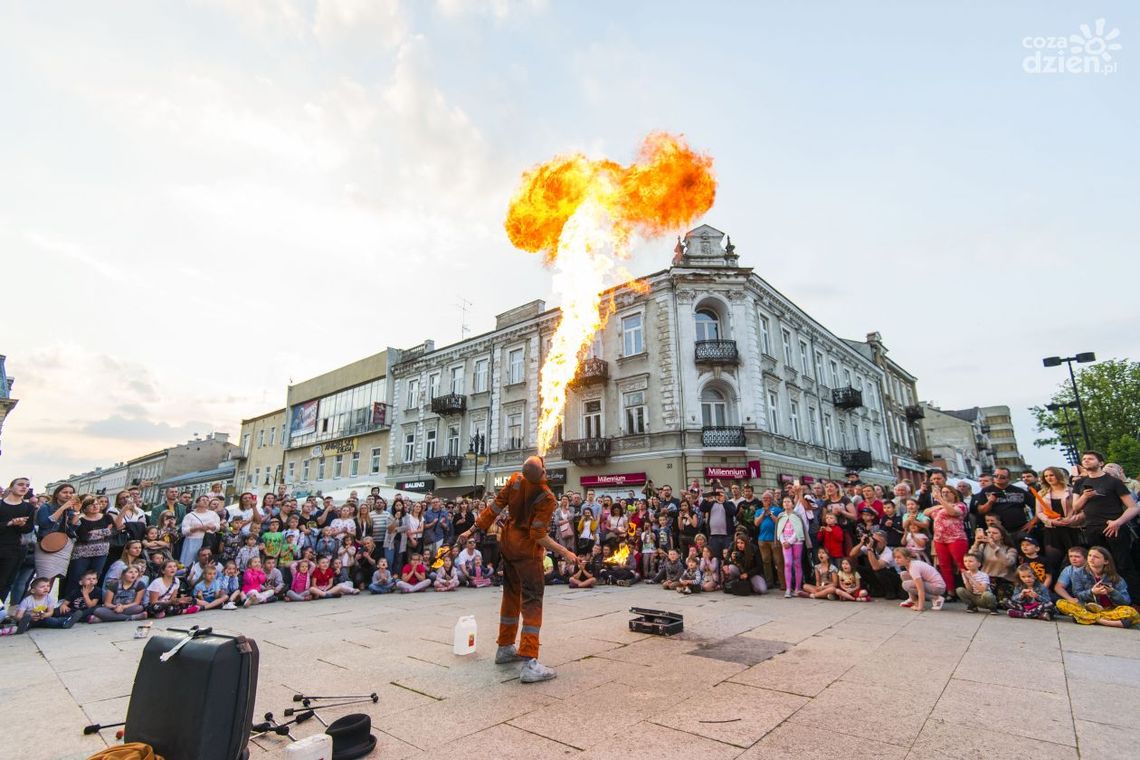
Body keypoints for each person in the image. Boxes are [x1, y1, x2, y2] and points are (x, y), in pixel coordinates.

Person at [456, 456, 573, 684]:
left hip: (508, 546)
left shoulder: (515, 480)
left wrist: (471, 531)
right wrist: (565, 552)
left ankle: (505, 647)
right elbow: (538, 536)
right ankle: (530, 661)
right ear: (542, 473)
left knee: (510, 596)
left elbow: (492, 510)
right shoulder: (547, 497)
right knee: (532, 601)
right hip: (527, 553)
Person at [1070, 450, 1140, 592]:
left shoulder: (1113, 481)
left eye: (1091, 458)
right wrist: (1085, 497)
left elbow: (1133, 507)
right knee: (1099, 566)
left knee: (1123, 564)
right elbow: (1075, 507)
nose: (1086, 461)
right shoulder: (1080, 483)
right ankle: (1107, 597)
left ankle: (1134, 600)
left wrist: (1118, 522)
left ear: (1101, 463)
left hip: (1114, 527)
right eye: (1084, 459)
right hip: (1092, 528)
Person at [1054, 546, 1139, 628]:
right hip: (1087, 608)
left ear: (1106, 561)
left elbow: (1126, 601)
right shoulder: (1078, 573)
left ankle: (1087, 618)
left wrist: (1112, 592)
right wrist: (1092, 592)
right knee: (1061, 603)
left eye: (1096, 557)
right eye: (1090, 555)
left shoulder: (1116, 578)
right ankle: (1104, 621)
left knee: (1131, 612)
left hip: (1109, 610)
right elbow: (1078, 595)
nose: (1091, 559)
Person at [923, 485, 968, 600]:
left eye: (948, 492)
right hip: (940, 539)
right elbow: (926, 512)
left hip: (956, 538)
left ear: (954, 494)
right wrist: (939, 504)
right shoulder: (939, 506)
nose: (945, 494)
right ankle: (950, 592)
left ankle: (971, 590)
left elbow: (953, 512)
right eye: (943, 492)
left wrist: (940, 499)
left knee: (962, 564)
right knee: (944, 566)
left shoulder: (960, 505)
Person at [0, 478, 36, 604]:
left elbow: (28, 528)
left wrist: (21, 525)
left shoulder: (28, 508)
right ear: (11, 487)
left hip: (14, 549)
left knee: (6, 582)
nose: (24, 487)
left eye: (27, 485)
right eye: (20, 484)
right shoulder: (1, 504)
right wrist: (10, 523)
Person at [894, 547, 946, 611]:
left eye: (899, 557)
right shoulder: (909, 564)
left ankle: (937, 598)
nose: (896, 560)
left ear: (907, 558)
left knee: (906, 585)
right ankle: (912, 599)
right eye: (895, 557)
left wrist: (920, 607)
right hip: (930, 584)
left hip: (938, 587)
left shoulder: (913, 567)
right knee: (904, 574)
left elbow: (920, 589)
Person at [776, 501, 807, 598]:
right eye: (784, 502)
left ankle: (797, 588)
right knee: (787, 563)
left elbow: (798, 530)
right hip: (785, 542)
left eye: (788, 501)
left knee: (797, 563)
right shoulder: (781, 516)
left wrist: (790, 541)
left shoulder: (797, 515)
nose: (786, 503)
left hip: (796, 541)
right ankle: (788, 588)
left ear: (792, 504)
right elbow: (779, 530)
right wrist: (783, 541)